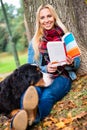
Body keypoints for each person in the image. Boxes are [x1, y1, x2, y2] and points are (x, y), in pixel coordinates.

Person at [11, 4, 81, 130]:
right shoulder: (35, 41)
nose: (46, 20)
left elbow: (77, 62)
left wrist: (71, 62)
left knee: (47, 96)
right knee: (31, 93)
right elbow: (30, 67)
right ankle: (20, 120)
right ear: (39, 21)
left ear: (54, 17)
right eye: (42, 18)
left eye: (49, 16)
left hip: (62, 77)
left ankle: (28, 121)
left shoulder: (65, 36)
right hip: (43, 76)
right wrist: (46, 69)